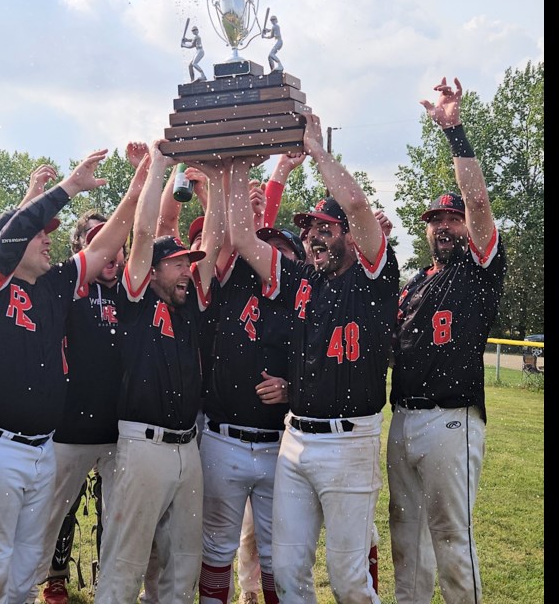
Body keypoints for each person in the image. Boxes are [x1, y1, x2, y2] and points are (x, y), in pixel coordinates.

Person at [0, 149, 147, 603]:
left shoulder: (54, 284)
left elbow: (102, 246)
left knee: (23, 571)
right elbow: (16, 231)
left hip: (40, 449)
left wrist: (137, 186)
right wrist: (68, 187)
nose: (47, 241)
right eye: (40, 235)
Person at [226, 111, 399, 603]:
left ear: (349, 235)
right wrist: (238, 164)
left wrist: (317, 152)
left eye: (325, 227)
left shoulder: (372, 277)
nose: (313, 236)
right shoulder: (302, 280)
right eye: (308, 229)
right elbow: (242, 237)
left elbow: (360, 205)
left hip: (349, 441)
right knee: (286, 571)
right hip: (296, 438)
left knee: (348, 580)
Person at [388, 76, 506, 604]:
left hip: (450, 418)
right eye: (436, 219)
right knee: (406, 545)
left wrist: (454, 132)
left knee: (452, 540)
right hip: (404, 418)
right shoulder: (417, 281)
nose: (444, 226)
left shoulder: (477, 272)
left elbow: (480, 203)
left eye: (452, 218)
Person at [95, 141, 225, 604]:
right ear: (152, 271)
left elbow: (210, 247)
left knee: (183, 562)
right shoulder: (136, 301)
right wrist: (161, 168)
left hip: (187, 446)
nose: (186, 272)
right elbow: (145, 230)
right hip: (142, 443)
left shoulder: (188, 307)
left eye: (186, 265)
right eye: (176, 265)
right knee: (126, 559)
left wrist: (217, 181)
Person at [35, 142, 150, 604]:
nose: (112, 253)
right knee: (56, 510)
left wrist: (141, 177)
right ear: (84, 249)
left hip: (120, 424)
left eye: (115, 244)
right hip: (70, 424)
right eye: (99, 243)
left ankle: (109, 581)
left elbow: (147, 233)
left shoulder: (131, 292)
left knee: (115, 511)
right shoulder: (68, 289)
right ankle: (51, 576)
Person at [198, 153, 306, 604]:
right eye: (265, 244)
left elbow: (323, 368)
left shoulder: (301, 296)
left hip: (276, 443)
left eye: (280, 247)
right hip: (222, 437)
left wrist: (292, 389)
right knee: (217, 548)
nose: (269, 252)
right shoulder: (234, 280)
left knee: (276, 554)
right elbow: (232, 235)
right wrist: (227, 175)